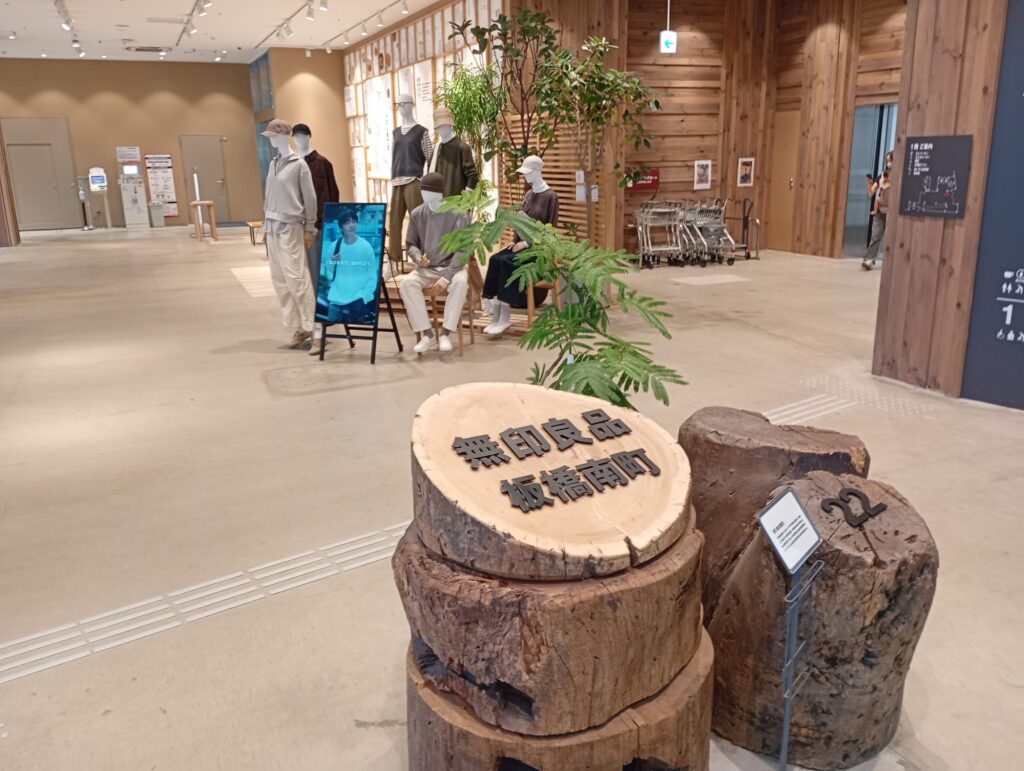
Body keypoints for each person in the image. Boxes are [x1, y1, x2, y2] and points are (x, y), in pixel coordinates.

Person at [481, 155, 560, 336]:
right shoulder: (529, 195)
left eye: (528, 173)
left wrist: (525, 243)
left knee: (507, 262)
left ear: (538, 171)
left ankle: (504, 317)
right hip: (522, 246)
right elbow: (521, 223)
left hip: (538, 252)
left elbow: (550, 232)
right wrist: (514, 240)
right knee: (495, 259)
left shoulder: (551, 197)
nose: (525, 176)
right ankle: (496, 313)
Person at [261, 119, 318, 348]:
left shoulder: (299, 165)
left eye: (274, 136)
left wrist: (309, 228)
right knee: (281, 280)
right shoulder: (273, 163)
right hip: (272, 227)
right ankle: (301, 326)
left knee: (297, 278)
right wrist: (265, 225)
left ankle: (315, 327)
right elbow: (270, 195)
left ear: (285, 136)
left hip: (290, 227)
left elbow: (310, 198)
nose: (271, 141)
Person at [398, 172, 470, 354]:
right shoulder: (417, 214)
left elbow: (463, 249)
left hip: (452, 267)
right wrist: (417, 257)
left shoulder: (458, 214)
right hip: (427, 268)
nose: (423, 194)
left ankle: (445, 333)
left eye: (427, 191)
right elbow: (411, 244)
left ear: (438, 193)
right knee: (407, 284)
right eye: (422, 190)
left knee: (461, 283)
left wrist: (447, 278)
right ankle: (427, 334)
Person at [312, 208, 379, 353]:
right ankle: (320, 342)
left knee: (361, 326)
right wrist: (332, 261)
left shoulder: (365, 247)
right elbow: (329, 271)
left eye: (354, 222)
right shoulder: (335, 246)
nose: (351, 225)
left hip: (357, 301)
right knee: (328, 324)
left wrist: (366, 296)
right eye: (347, 223)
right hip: (336, 300)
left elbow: (371, 274)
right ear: (341, 227)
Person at [863, 151, 894, 270]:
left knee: (892, 238)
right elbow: (871, 193)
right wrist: (869, 184)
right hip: (880, 210)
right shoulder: (882, 176)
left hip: (893, 213)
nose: (889, 163)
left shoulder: (900, 176)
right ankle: (868, 260)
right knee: (875, 236)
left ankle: (891, 263)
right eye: (888, 161)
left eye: (891, 160)